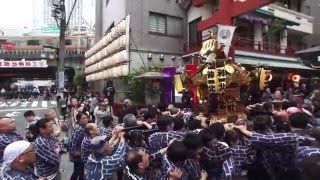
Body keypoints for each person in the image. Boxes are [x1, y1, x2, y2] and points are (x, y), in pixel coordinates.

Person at [68, 113, 89, 180]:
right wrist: (73, 152)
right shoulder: (79, 129)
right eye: (83, 118)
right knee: (77, 171)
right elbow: (73, 141)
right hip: (78, 154)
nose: (86, 119)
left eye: (86, 117)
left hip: (80, 153)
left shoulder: (82, 127)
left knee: (80, 172)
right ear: (79, 120)